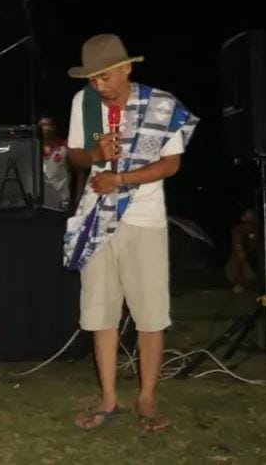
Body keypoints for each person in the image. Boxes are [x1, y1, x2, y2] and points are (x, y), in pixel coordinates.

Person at [63, 34, 197, 433]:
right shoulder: (84, 103)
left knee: (150, 314)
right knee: (100, 312)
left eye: (105, 76)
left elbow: (171, 164)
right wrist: (96, 155)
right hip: (97, 217)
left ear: (127, 68)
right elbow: (75, 155)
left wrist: (121, 179)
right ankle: (108, 398)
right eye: (92, 78)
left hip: (144, 218)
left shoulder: (161, 105)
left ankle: (147, 398)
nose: (98, 85)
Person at [39, 114, 71, 211]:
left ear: (55, 127)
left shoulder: (65, 146)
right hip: (40, 202)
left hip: (61, 201)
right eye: (43, 125)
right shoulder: (31, 147)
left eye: (50, 125)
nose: (47, 128)